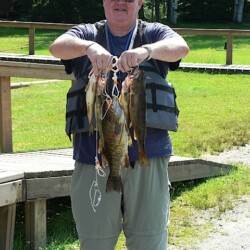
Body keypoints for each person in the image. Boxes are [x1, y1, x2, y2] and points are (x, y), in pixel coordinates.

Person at [49, 0, 189, 249]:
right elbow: (57, 47)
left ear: (139, 3)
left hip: (148, 156)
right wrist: (89, 48)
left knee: (150, 241)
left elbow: (180, 47)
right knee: (95, 242)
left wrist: (146, 52)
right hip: (94, 160)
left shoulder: (153, 33)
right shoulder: (89, 33)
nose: (120, 2)